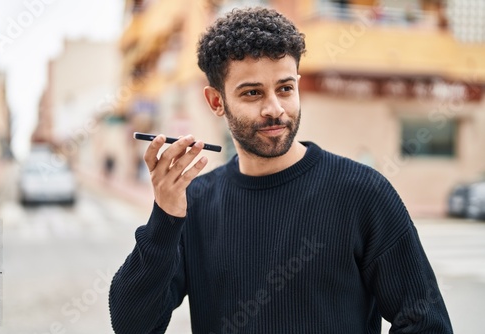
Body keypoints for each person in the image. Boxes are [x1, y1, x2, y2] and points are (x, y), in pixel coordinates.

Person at [109, 7, 453, 334]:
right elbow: (133, 325)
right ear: (217, 101)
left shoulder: (364, 193)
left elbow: (425, 322)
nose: (275, 109)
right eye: (252, 93)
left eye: (285, 88)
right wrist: (164, 219)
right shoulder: (194, 204)